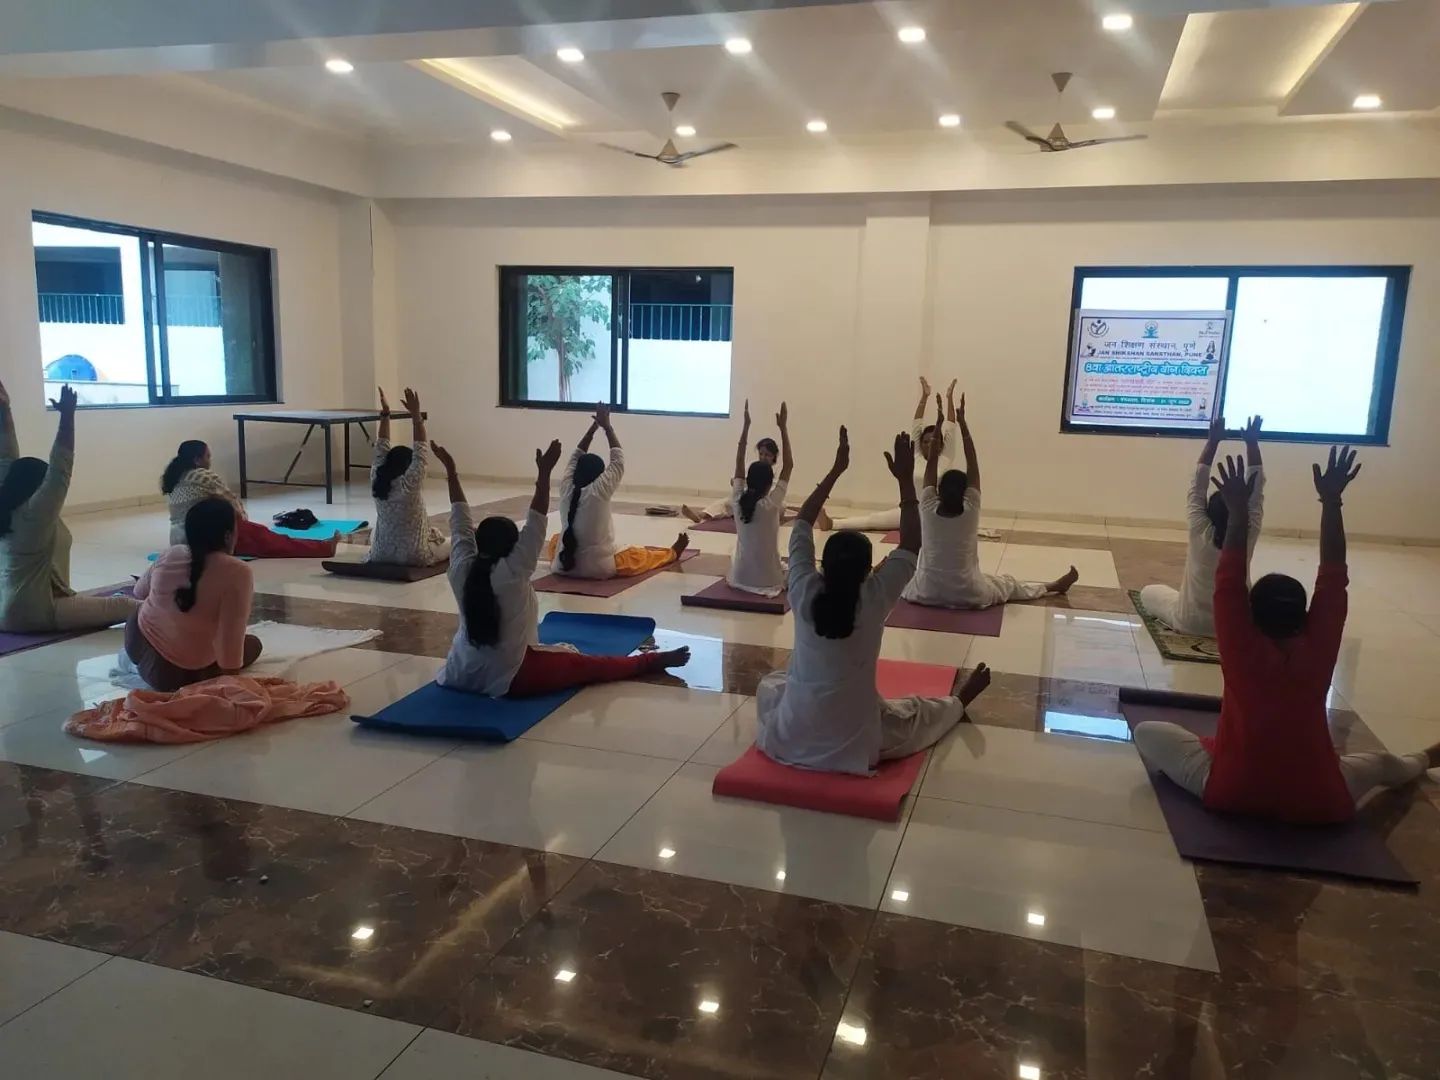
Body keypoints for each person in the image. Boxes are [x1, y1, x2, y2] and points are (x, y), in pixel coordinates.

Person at [1134, 448, 1440, 824]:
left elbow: (1229, 580)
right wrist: (1331, 500)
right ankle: (1422, 760)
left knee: (1149, 731)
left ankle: (1216, 752)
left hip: (1231, 790)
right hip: (1323, 799)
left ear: (1248, 614)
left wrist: (1238, 511)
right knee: (1379, 763)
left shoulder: (1239, 646)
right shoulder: (1319, 648)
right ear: (1307, 616)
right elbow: (1333, 574)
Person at [754, 425, 992, 775]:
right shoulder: (875, 595)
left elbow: (802, 523)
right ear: (870, 569)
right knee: (919, 713)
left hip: (787, 738)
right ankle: (957, 703)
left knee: (772, 685)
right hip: (856, 743)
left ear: (823, 564)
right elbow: (912, 542)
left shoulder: (803, 585)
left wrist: (836, 470)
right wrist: (903, 481)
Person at [433, 438, 690, 697]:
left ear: (478, 543)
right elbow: (536, 519)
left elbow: (460, 521)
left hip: (458, 673)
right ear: (514, 546)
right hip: (512, 677)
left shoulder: (461, 568)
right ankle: (649, 662)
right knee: (588, 665)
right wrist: (543, 473)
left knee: (562, 650)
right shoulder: (515, 568)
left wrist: (451, 473)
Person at [903, 393, 1076, 609]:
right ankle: (1051, 587)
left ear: (938, 491)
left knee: (900, 574)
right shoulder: (970, 509)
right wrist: (963, 424)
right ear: (966, 491)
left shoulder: (927, 507)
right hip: (970, 595)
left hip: (925, 592)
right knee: (1005, 583)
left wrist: (938, 426)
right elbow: (973, 464)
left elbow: (931, 469)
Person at [0, 381, 138, 634]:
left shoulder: (7, 508)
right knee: (128, 606)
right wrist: (67, 416)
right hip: (37, 612)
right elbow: (59, 469)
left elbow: (6, 458)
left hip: (6, 608)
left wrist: (5, 410)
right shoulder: (35, 515)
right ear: (36, 488)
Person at [1138, 414, 1266, 637]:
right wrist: (1252, 443)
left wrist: (1213, 441)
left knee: (1148, 593)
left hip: (1190, 623)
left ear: (1209, 512)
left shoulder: (1200, 529)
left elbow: (1197, 485)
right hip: (1235, 626)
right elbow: (1256, 491)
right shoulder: (1249, 531)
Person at [124, 497, 263, 692]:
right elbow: (231, 636)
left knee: (142, 610)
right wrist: (232, 685)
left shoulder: (171, 554)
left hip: (136, 642)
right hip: (171, 675)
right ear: (227, 536)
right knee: (253, 645)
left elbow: (139, 592)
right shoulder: (238, 572)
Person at [551, 403, 688, 578]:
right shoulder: (598, 491)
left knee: (557, 540)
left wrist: (593, 429)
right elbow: (618, 460)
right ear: (599, 476)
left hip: (562, 565)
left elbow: (575, 456)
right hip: (598, 568)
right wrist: (606, 427)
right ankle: (671, 553)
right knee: (637, 555)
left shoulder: (565, 486)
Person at [817, 376, 958, 532]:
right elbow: (917, 425)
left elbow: (951, 426)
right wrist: (924, 397)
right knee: (873, 520)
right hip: (911, 510)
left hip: (933, 516)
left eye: (934, 441)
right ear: (920, 444)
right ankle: (832, 524)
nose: (929, 444)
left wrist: (949, 399)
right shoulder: (916, 456)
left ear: (941, 445)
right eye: (925, 441)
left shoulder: (945, 459)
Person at [160, 440, 339, 559]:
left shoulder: (174, 479)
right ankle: (324, 548)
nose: (209, 461)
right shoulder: (202, 475)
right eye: (208, 457)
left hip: (178, 541)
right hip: (208, 539)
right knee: (273, 541)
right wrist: (244, 526)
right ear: (197, 460)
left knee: (266, 537)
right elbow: (231, 501)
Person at [367, 386, 449, 566]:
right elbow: (420, 450)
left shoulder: (377, 478)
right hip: (416, 556)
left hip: (380, 554)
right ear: (408, 466)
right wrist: (416, 416)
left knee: (375, 532)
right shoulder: (409, 485)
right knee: (454, 543)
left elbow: (381, 445)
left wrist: (386, 414)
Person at [727, 399, 794, 596]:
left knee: (734, 553)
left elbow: (738, 461)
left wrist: (746, 426)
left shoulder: (738, 499)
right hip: (770, 581)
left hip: (739, 578)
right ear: (768, 485)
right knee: (800, 567)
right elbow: (789, 466)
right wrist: (783, 428)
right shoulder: (771, 504)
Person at [682, 435, 780, 524]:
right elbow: (737, 480)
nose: (763, 457)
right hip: (747, 498)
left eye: (767, 455)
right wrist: (737, 483)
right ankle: (701, 515)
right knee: (725, 503)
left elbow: (773, 491)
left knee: (782, 507)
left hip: (765, 503)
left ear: (773, 456)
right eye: (761, 454)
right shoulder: (752, 466)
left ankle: (735, 514)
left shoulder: (775, 471)